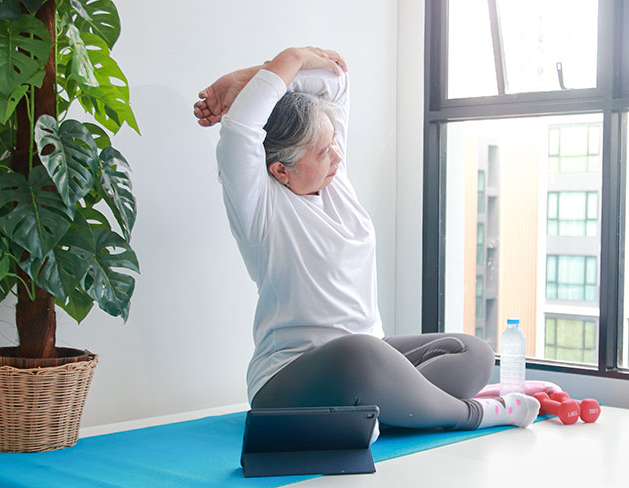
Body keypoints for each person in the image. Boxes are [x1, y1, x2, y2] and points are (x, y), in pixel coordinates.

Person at [194, 46, 540, 433]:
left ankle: (379, 411)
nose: (338, 158)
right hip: (290, 379)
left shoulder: (333, 180)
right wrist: (291, 57)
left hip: (369, 359)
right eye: (324, 152)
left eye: (334, 144)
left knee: (473, 353)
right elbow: (241, 128)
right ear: (280, 170)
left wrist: (239, 81)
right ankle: (474, 414)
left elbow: (334, 81)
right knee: (361, 352)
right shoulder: (261, 207)